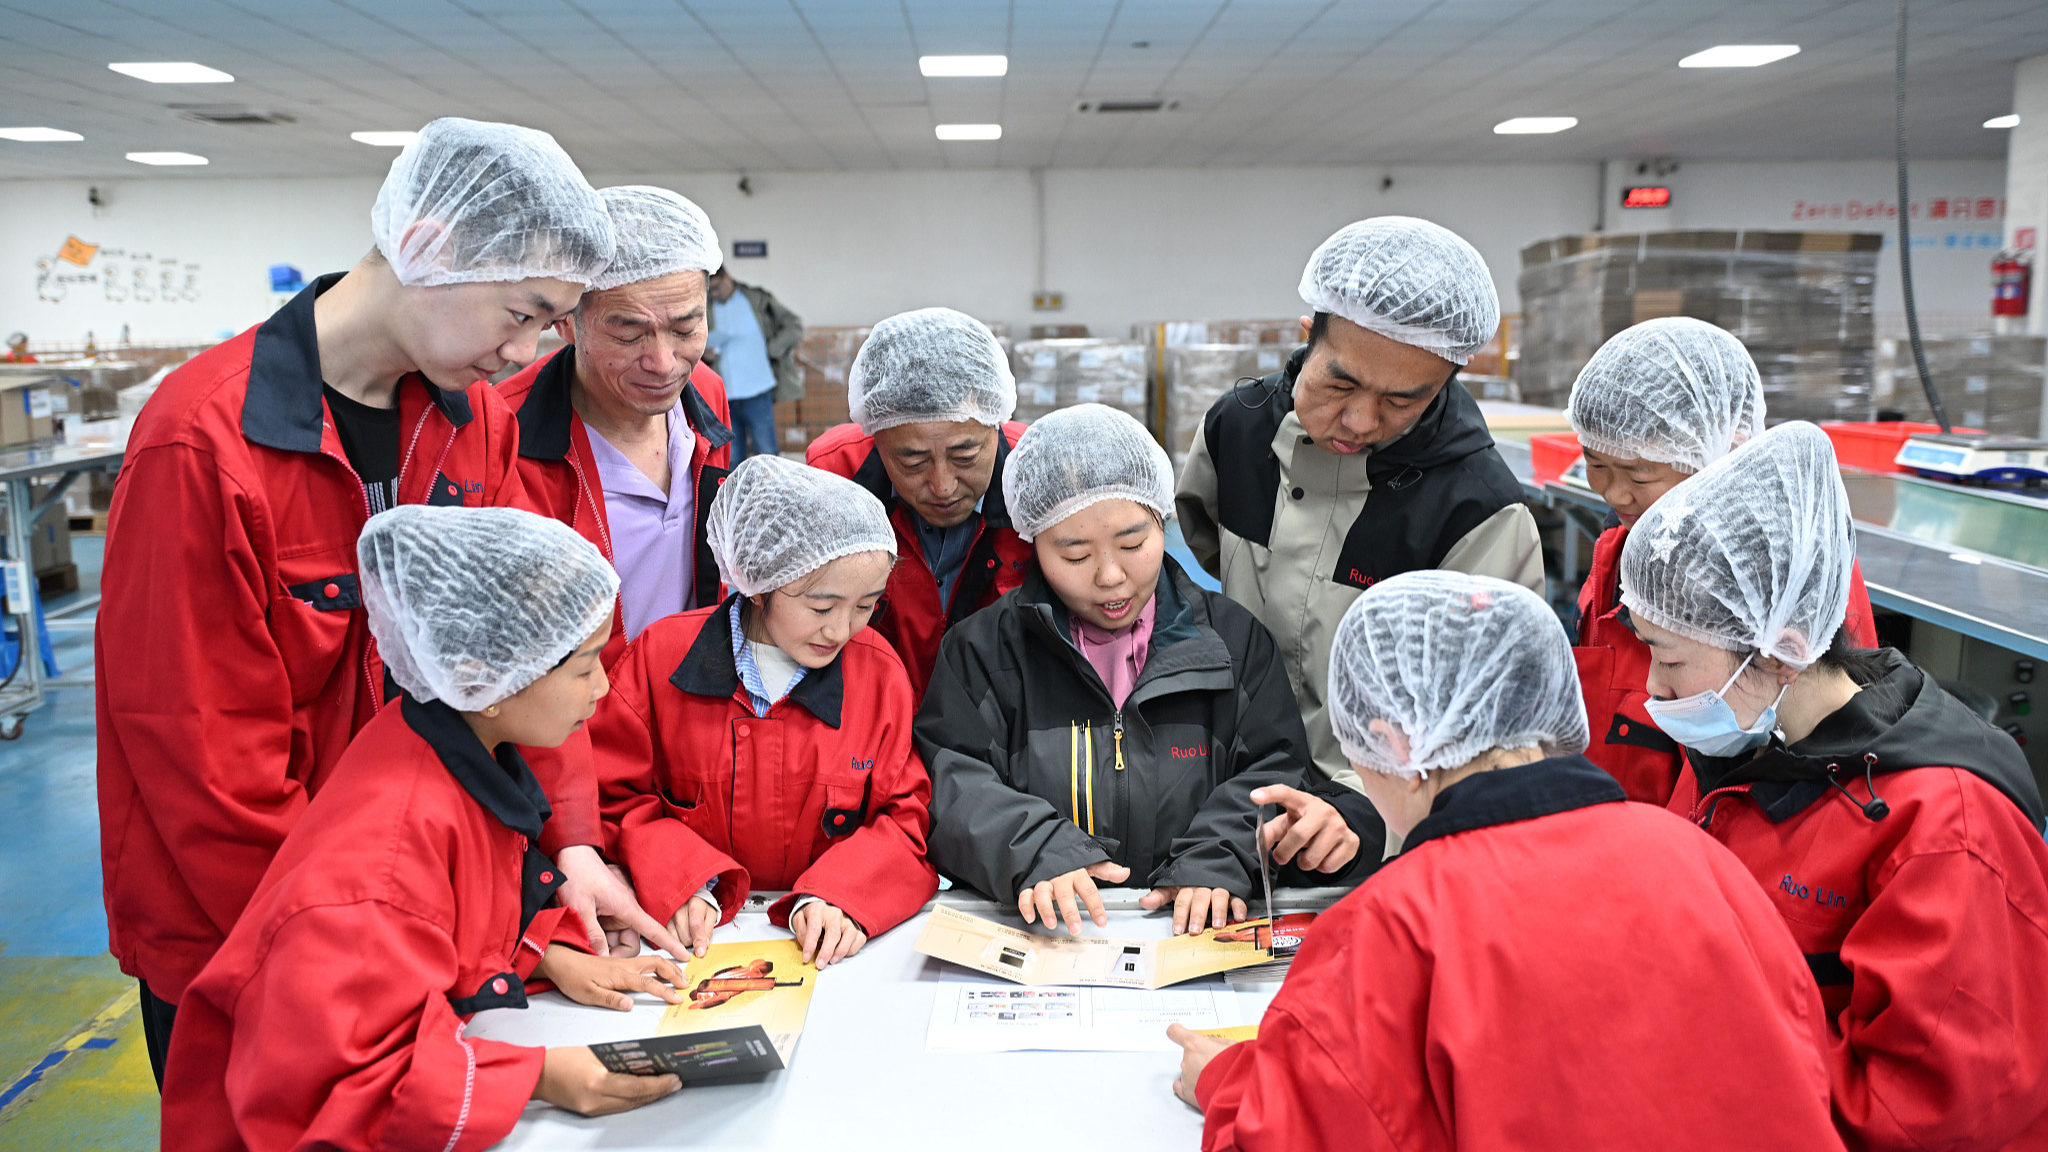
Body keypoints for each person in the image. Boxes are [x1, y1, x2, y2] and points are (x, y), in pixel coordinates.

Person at [93, 118, 660, 1088]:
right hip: (252, 931)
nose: (524, 350)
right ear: (430, 246)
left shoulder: (471, 423)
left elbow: (531, 656)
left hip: (424, 906)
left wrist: (559, 861)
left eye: (550, 325)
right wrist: (362, 950)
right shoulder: (204, 444)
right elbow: (207, 764)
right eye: (522, 313)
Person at [1167, 570, 1847, 1151]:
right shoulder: (1701, 858)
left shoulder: (1396, 919)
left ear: (1394, 743)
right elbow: (1802, 1065)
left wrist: (1224, 1083)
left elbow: (1302, 1129)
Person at [162, 506, 694, 1149]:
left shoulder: (445, 746)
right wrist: (539, 1077)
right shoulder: (381, 861)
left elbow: (448, 929)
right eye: (583, 666)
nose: (604, 687)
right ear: (484, 677)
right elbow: (342, 1087)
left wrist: (546, 957)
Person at [1620, 420, 2048, 1151]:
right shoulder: (1749, 742)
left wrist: (1699, 1062)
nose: (1653, 690)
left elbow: (1921, 1112)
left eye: (1667, 658)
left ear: (1782, 650)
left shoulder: (1944, 828)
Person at [919, 405, 1378, 939]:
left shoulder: (1233, 643)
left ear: (1162, 522)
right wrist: (1036, 849)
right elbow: (952, 784)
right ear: (1032, 542)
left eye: (1134, 544)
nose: (1111, 576)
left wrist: (1217, 856)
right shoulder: (982, 651)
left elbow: (1274, 771)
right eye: (1073, 554)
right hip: (1050, 929)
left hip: (1191, 927)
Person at [1176, 217, 1542, 807]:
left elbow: (1483, 719)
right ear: (1307, 336)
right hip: (1228, 782)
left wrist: (1363, 817)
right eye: (1340, 385)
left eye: (1404, 400)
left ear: (1447, 380)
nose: (1362, 421)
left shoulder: (1478, 508)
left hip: (1380, 811)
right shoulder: (1237, 429)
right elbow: (1204, 546)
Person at [594, 454, 937, 968]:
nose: (841, 631)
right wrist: (682, 881)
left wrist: (840, 894)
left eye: (866, 605)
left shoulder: (880, 674)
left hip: (828, 948)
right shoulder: (659, 661)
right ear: (756, 584)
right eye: (822, 607)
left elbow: (904, 815)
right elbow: (614, 799)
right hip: (691, 944)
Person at [1564, 316, 1878, 805]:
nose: (1613, 491)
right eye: (1596, 464)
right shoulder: (1623, 543)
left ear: (1723, 451)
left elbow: (1812, 734)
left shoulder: (1786, 579)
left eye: (1638, 475)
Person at [498, 185, 734, 662]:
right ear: (565, 323)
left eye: (686, 329)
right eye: (629, 334)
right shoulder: (501, 431)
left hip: (683, 701)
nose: (665, 363)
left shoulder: (704, 395)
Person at [807, 307, 1033, 703]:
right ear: (875, 437)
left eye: (965, 457)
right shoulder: (835, 477)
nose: (942, 486)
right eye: (912, 461)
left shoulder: (1037, 473)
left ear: (995, 426)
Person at [704, 264, 802, 461]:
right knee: (731, 460)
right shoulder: (705, 308)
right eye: (710, 290)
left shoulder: (756, 300)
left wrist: (774, 348)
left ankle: (772, 493)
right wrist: (704, 355)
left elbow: (794, 325)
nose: (714, 294)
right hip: (725, 397)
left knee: (767, 454)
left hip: (758, 392)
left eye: (717, 288)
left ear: (727, 278)